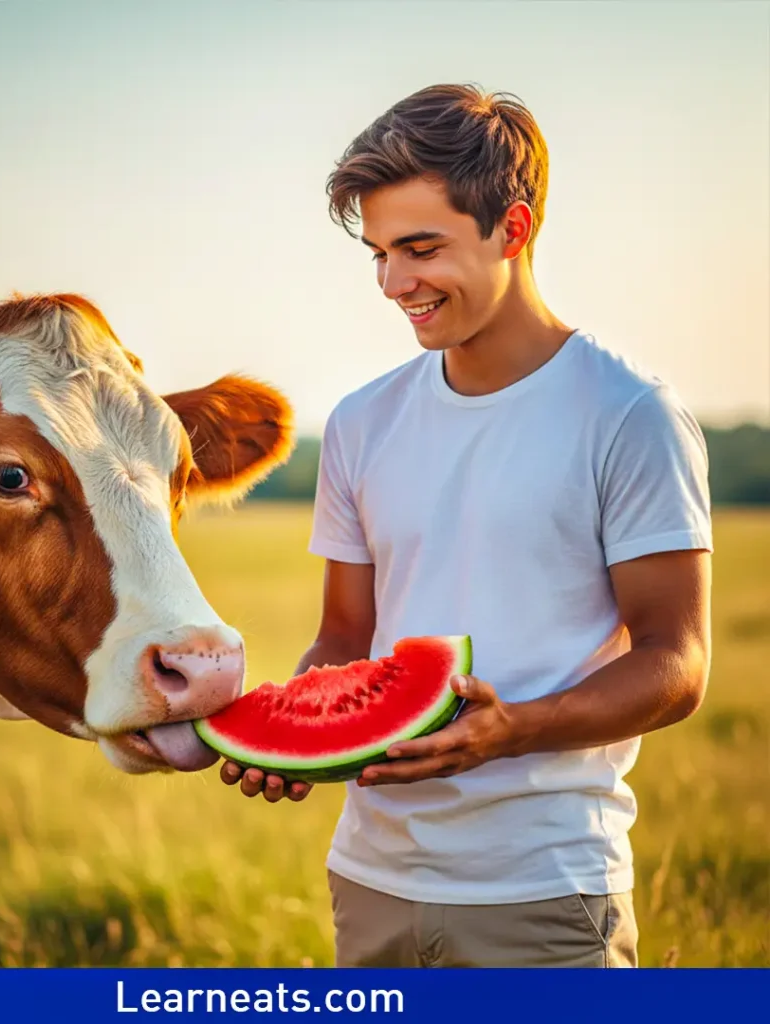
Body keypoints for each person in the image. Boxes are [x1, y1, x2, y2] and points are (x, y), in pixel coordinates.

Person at [220, 83, 713, 968]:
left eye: (419, 248)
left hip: (543, 889)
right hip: (370, 880)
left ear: (513, 229)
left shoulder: (629, 414)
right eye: (376, 254)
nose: (393, 283)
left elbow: (676, 663)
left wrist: (514, 727)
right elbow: (343, 636)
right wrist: (292, 729)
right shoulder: (363, 422)